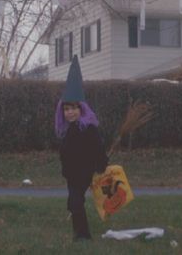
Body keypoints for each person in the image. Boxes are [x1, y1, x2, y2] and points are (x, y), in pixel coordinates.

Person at [55, 55, 108, 241]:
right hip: (71, 173)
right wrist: (65, 169)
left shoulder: (89, 128)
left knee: (76, 201)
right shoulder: (68, 130)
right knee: (73, 202)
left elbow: (99, 148)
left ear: (82, 109)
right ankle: (78, 230)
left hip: (85, 172)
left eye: (74, 108)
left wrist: (101, 165)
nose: (70, 112)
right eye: (66, 109)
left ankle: (83, 235)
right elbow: (65, 152)